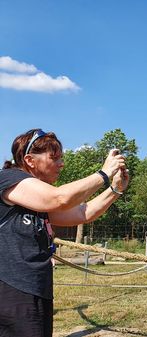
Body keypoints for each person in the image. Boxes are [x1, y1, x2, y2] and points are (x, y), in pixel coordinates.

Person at [0, 129, 129, 337]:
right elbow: (59, 198)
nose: (61, 164)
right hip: (11, 291)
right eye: (54, 158)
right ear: (30, 160)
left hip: (36, 289)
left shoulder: (37, 200)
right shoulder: (8, 179)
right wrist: (103, 174)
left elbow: (82, 212)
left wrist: (114, 190)